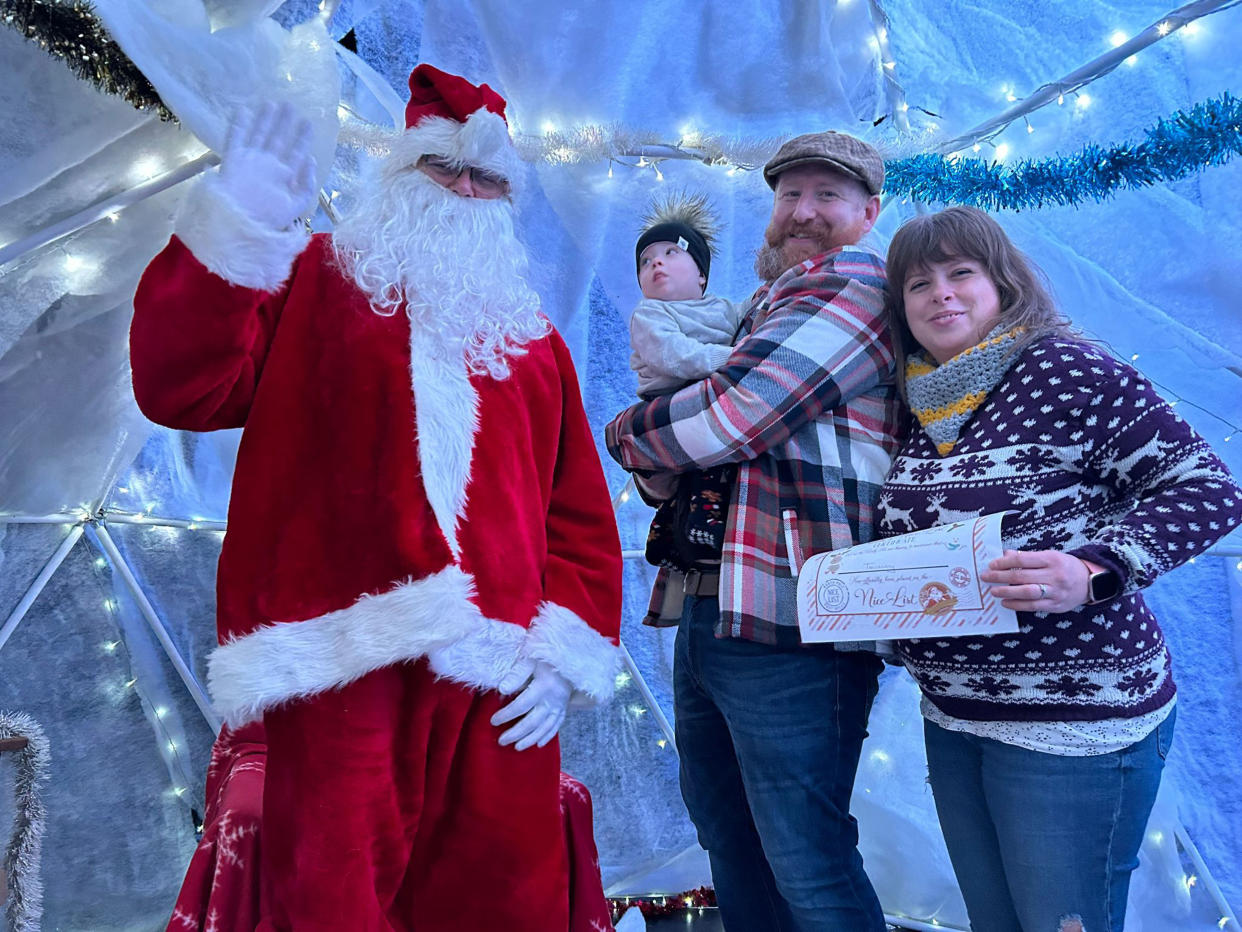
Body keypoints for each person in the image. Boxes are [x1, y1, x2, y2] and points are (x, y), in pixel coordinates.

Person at [130, 64, 622, 930]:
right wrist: (234, 229)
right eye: (446, 169)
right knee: (328, 899)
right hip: (341, 657)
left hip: (499, 673)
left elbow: (577, 513)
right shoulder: (313, 282)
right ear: (398, 172)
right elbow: (181, 388)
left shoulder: (532, 340)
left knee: (503, 898)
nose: (467, 192)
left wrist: (564, 656)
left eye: (488, 179)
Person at [877, 205, 1242, 932]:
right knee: (997, 922)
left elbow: (1208, 491)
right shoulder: (916, 404)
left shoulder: (1064, 369)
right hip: (954, 715)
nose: (941, 294)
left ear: (1003, 284)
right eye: (920, 283)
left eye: (960, 273)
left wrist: (1094, 570)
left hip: (1072, 722)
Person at [606, 130, 901, 931]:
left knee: (806, 858)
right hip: (713, 603)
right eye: (788, 196)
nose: (802, 212)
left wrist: (624, 430)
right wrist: (660, 449)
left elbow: (732, 418)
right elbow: (674, 471)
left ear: (867, 214)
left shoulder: (857, 285)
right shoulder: (755, 309)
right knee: (730, 841)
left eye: (827, 197)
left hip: (796, 619)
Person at [628, 192, 744, 571]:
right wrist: (724, 360)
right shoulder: (649, 314)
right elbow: (670, 353)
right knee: (692, 471)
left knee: (716, 470)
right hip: (669, 398)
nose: (655, 262)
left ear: (701, 274)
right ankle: (681, 532)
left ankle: (682, 531)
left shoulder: (725, 309)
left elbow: (751, 319)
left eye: (670, 253)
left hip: (714, 399)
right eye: (645, 262)